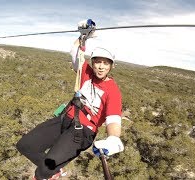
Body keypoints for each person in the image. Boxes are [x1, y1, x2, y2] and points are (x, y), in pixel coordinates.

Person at [16, 19, 124, 180]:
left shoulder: (112, 90)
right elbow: (75, 52)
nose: (101, 67)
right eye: (98, 62)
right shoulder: (86, 73)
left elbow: (113, 119)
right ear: (92, 63)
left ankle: (47, 173)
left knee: (43, 171)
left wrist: (113, 138)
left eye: (105, 63)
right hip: (65, 119)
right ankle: (54, 171)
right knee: (25, 145)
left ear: (111, 66)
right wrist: (84, 36)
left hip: (82, 131)